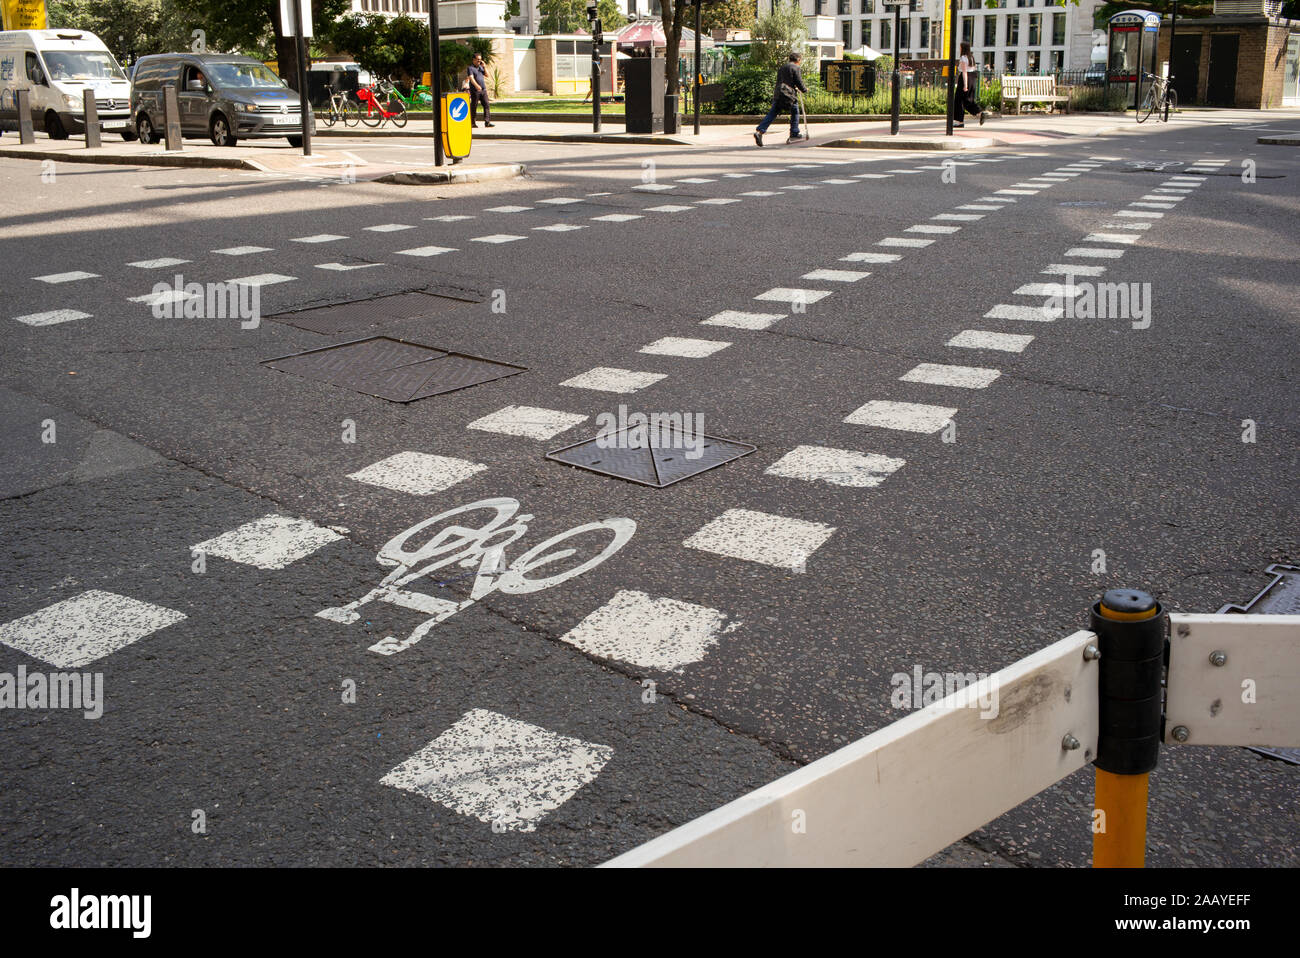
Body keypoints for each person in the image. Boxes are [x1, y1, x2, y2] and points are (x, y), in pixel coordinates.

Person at [754, 51, 807, 147]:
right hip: (789, 95)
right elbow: (798, 81)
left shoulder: (782, 67)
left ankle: (760, 131)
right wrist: (804, 90)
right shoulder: (796, 67)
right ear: (798, 60)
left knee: (773, 113)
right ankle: (794, 133)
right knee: (795, 111)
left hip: (779, 93)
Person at [953, 42, 989, 128]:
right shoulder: (971, 57)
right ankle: (979, 112)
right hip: (972, 78)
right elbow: (973, 69)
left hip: (965, 79)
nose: (959, 49)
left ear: (963, 48)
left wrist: (965, 85)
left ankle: (959, 121)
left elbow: (964, 72)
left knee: (958, 100)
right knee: (968, 100)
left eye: (960, 47)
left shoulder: (963, 58)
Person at [467, 52, 493, 128]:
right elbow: (471, 78)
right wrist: (477, 86)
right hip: (475, 91)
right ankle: (473, 123)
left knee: (486, 105)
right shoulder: (470, 68)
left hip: (483, 90)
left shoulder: (481, 67)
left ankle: (487, 122)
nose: (479, 61)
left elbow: (487, 75)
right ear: (473, 60)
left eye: (480, 60)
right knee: (474, 106)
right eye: (478, 60)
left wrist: (484, 67)